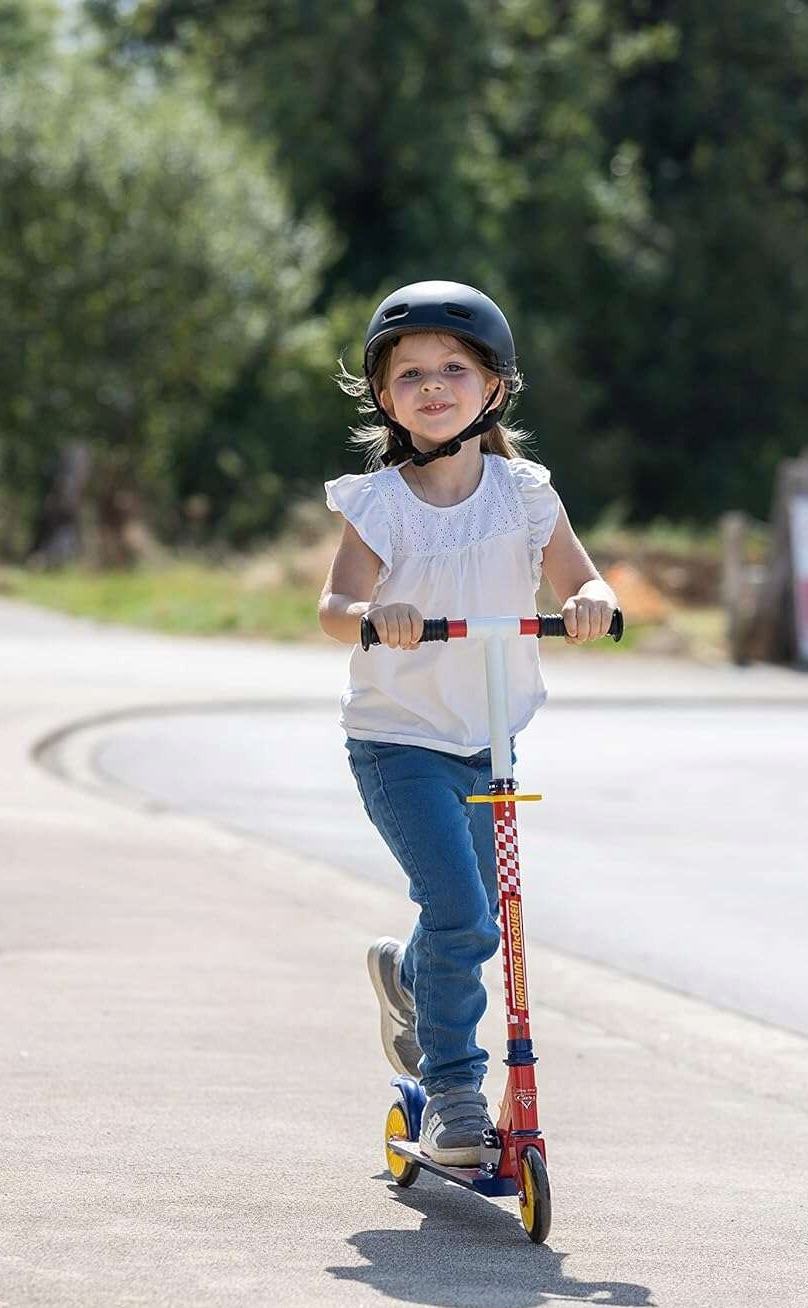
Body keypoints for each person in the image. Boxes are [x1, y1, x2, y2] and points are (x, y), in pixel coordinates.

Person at [318, 280, 618, 1168]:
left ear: (496, 386)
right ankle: (453, 1090)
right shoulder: (379, 503)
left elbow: (581, 581)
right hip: (398, 741)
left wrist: (595, 603)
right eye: (410, 372)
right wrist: (380, 614)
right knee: (464, 914)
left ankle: (410, 979)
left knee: (470, 914)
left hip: (489, 739)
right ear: (384, 395)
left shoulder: (525, 495)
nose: (433, 384)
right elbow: (335, 606)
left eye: (455, 367)